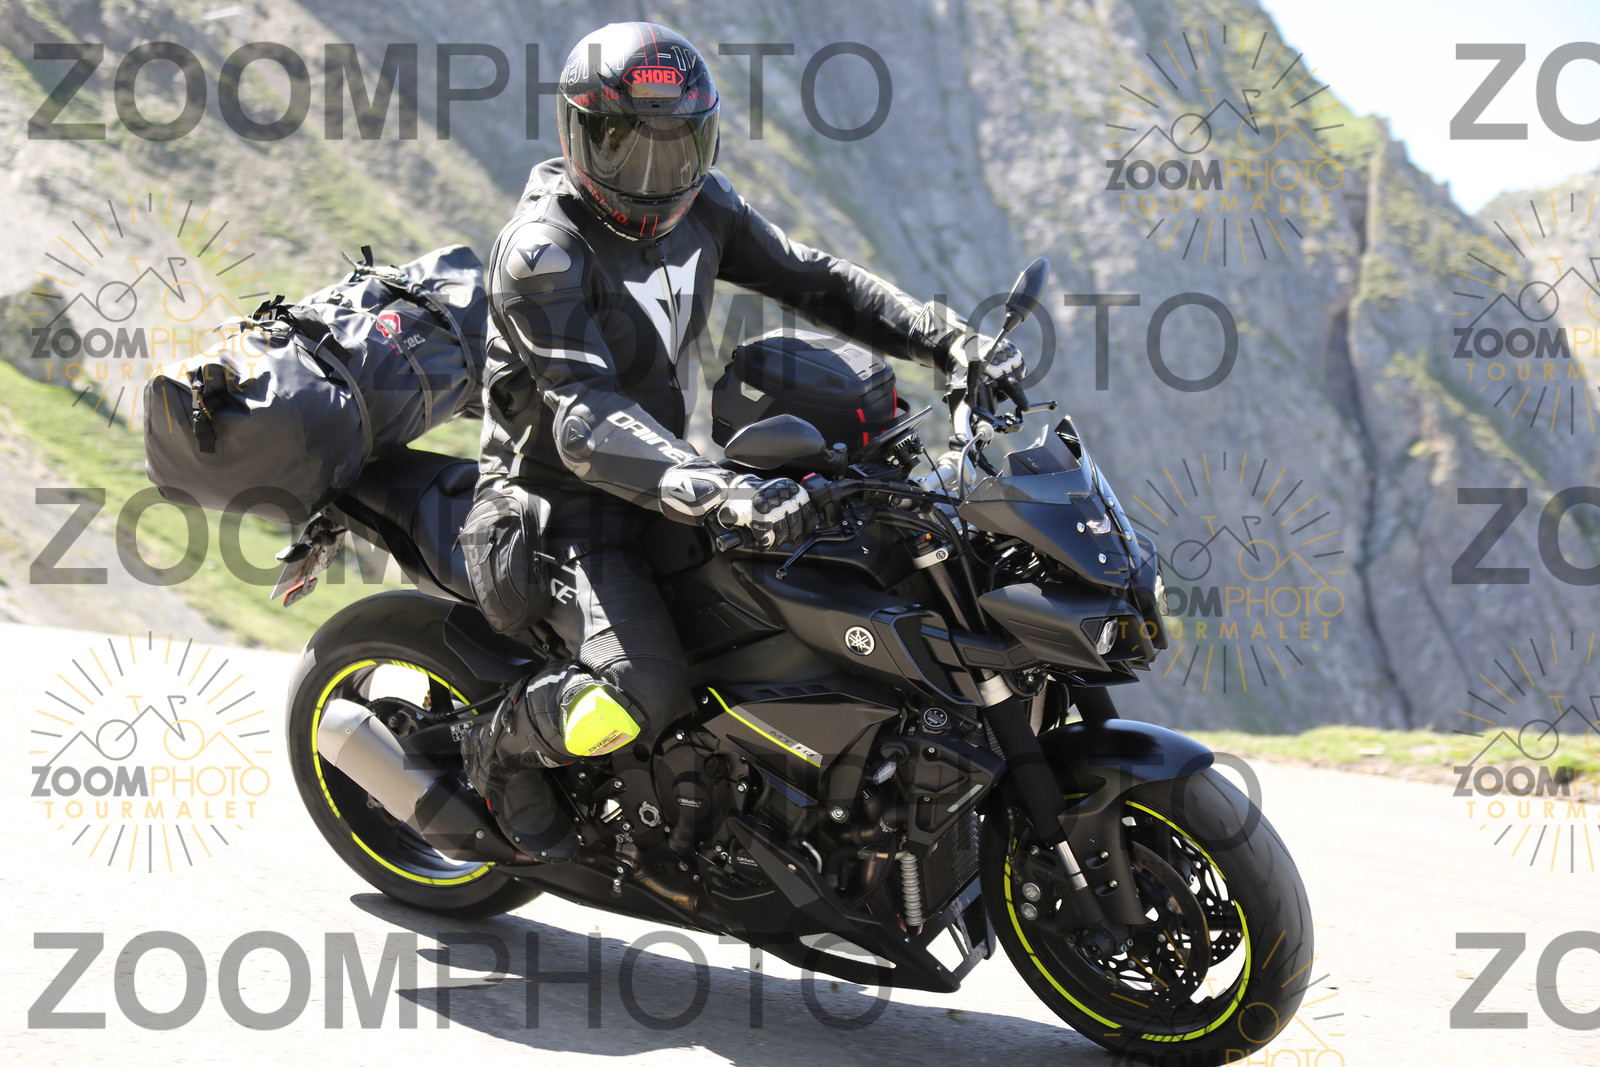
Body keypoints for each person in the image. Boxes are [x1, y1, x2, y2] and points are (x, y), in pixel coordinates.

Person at [459, 21, 1024, 861]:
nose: (655, 175)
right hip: (559, 505)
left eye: (677, 147)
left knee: (819, 588)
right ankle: (494, 747)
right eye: (626, 146)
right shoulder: (543, 253)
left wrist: (948, 339)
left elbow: (820, 282)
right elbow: (583, 421)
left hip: (661, 475)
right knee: (642, 691)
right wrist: (717, 487)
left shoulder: (706, 207)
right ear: (578, 135)